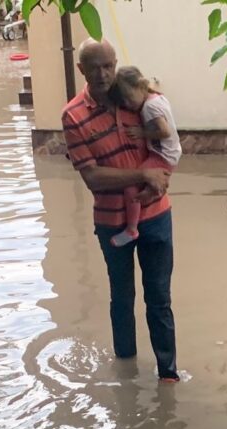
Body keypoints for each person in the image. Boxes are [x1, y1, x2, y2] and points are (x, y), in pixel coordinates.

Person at [61, 40, 179, 382]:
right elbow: (93, 177)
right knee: (122, 296)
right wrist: (143, 174)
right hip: (113, 222)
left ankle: (167, 372)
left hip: (157, 215)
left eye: (108, 65)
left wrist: (161, 176)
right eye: (95, 67)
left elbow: (165, 144)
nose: (103, 74)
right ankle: (126, 367)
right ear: (81, 69)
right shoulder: (73, 116)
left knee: (159, 297)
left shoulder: (132, 98)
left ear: (116, 64)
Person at [106, 67, 182, 248]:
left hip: (162, 154)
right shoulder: (158, 98)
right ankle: (150, 194)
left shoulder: (149, 106)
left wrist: (142, 132)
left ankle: (132, 229)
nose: (128, 104)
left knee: (131, 185)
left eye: (128, 98)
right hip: (171, 153)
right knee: (145, 186)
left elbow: (164, 131)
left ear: (141, 87)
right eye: (123, 101)